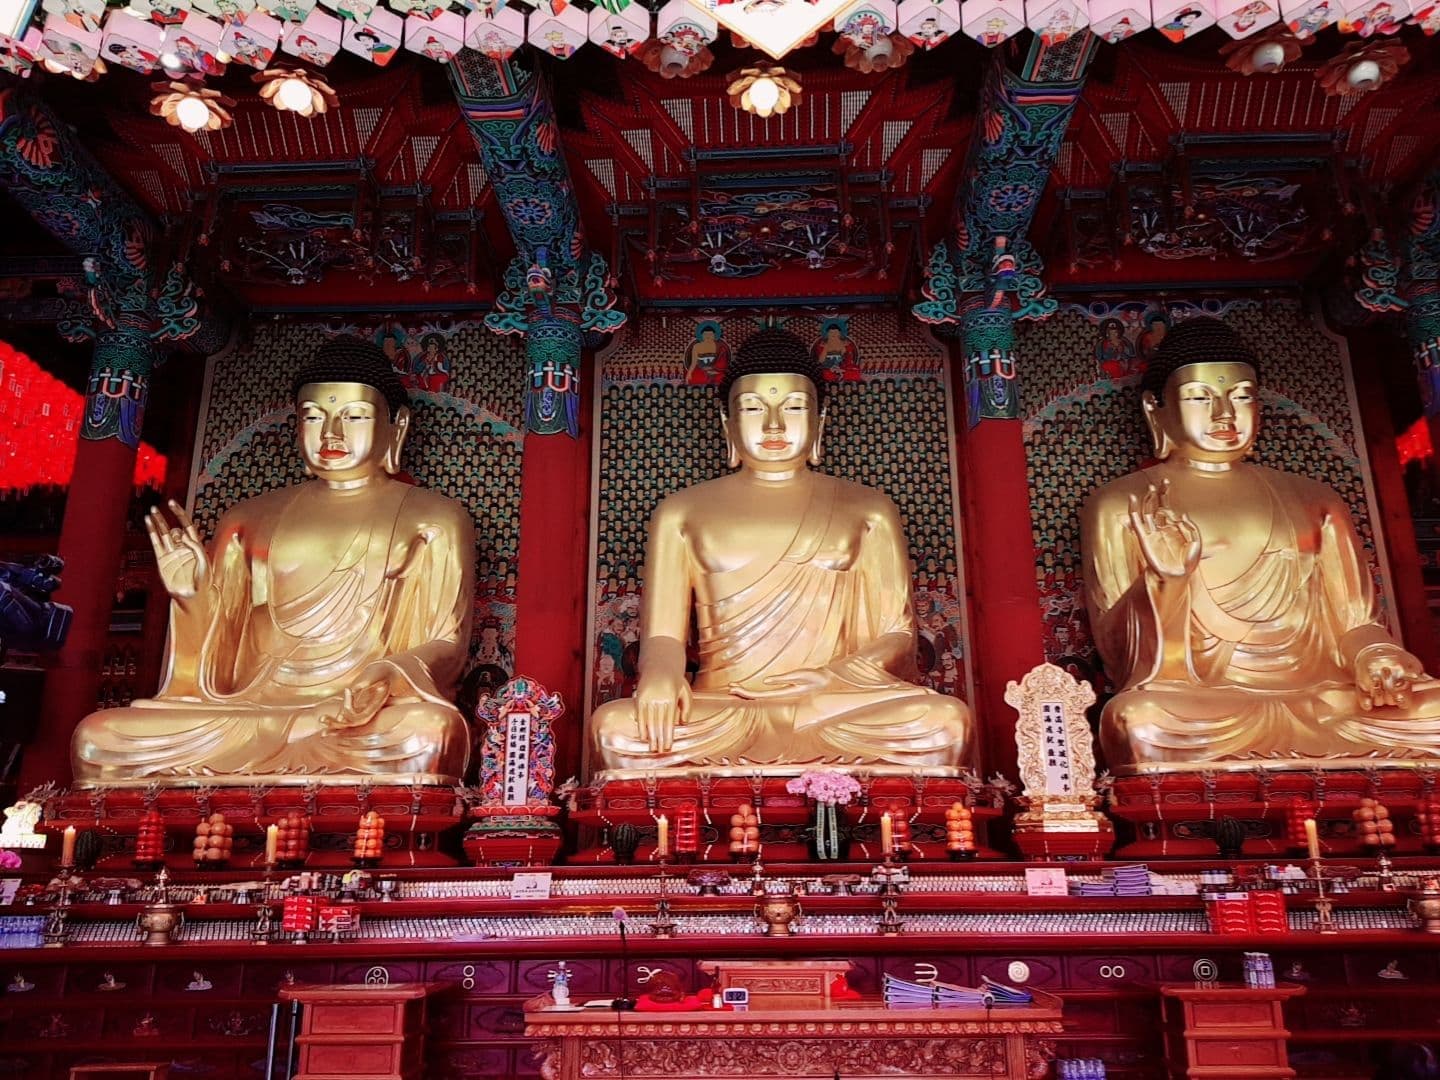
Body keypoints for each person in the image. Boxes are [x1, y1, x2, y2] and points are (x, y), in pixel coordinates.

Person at [71, 337, 475, 785]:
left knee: (427, 735)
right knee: (99, 736)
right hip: (250, 708)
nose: (331, 435)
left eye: (354, 417)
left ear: (396, 427)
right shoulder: (247, 518)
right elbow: (212, 664)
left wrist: (386, 675)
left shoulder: (435, 518)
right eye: (313, 418)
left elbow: (447, 644)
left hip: (358, 715)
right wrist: (191, 598)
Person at [590, 329, 970, 775]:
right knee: (615, 727)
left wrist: (832, 678)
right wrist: (659, 674)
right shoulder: (680, 511)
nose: (773, 425)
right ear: (727, 425)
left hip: (830, 705)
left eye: (793, 408)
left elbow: (898, 637)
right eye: (753, 409)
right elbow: (664, 636)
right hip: (725, 707)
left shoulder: (869, 508)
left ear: (821, 422)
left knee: (946, 722)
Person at [1081, 318, 1440, 771]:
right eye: (1199, 398)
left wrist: (1376, 655)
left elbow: (1356, 622)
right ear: (1156, 409)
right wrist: (1165, 580)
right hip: (1205, 705)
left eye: (1242, 397)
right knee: (1138, 721)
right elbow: (1118, 657)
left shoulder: (1315, 499)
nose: (1224, 415)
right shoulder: (1122, 503)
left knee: (1434, 712)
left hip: (1326, 699)